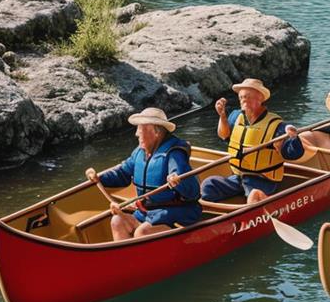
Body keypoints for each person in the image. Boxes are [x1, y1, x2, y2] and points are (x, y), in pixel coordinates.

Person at [85, 107, 201, 241]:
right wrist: (99, 178)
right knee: (117, 222)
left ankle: (168, 241)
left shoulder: (174, 152)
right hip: (147, 212)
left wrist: (176, 179)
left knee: (142, 233)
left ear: (156, 131)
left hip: (176, 211)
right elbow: (123, 173)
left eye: (140, 129)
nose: (136, 134)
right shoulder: (139, 152)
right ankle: (125, 260)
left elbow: (184, 179)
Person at [200, 78, 304, 205]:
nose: (244, 100)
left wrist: (293, 138)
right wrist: (222, 116)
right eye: (242, 97)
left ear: (260, 99)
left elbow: (294, 154)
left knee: (253, 197)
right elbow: (224, 136)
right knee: (208, 186)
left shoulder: (276, 125)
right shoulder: (236, 116)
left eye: (248, 96)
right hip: (239, 177)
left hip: (263, 180)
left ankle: (264, 202)